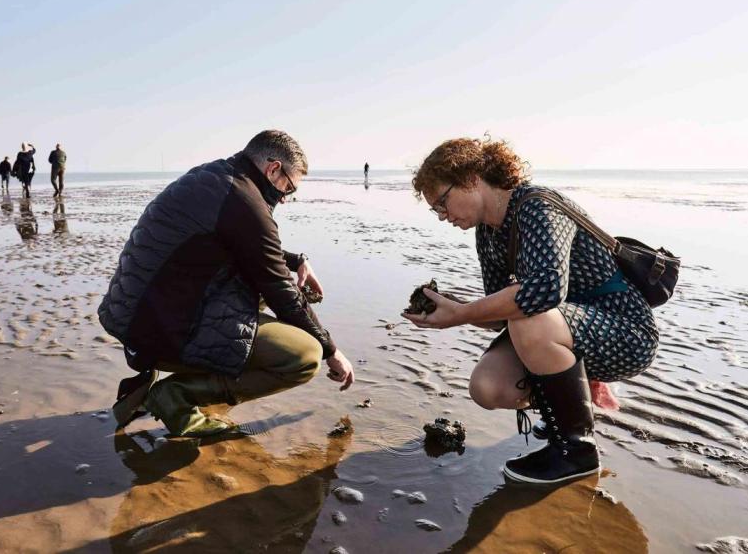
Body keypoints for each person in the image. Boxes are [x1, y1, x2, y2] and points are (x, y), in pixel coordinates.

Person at [402, 137, 658, 485]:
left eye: (443, 202)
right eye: (436, 210)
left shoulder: (537, 207)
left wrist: (461, 316)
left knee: (530, 315)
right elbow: (499, 314)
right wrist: (452, 308)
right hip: (563, 328)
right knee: (487, 387)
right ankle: (567, 406)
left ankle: (576, 450)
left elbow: (543, 292)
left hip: (624, 330)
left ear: (472, 179)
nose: (444, 216)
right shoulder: (488, 233)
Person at [99, 129, 355, 437]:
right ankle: (176, 395)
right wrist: (331, 350)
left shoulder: (217, 178)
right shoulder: (244, 201)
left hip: (137, 316)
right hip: (156, 329)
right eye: (288, 188)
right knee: (303, 357)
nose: (285, 199)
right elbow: (281, 292)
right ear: (273, 169)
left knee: (255, 288)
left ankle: (168, 379)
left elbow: (244, 243)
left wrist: (296, 260)